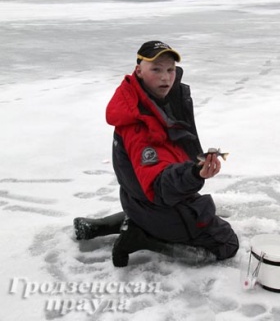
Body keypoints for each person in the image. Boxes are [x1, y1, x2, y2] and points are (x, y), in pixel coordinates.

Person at [73, 41, 239, 267]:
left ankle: (102, 225)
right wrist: (193, 173)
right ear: (139, 70)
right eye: (156, 69)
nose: (166, 77)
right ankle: (144, 239)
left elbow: (167, 156)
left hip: (137, 199)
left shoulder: (151, 102)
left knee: (193, 212)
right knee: (226, 243)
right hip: (156, 201)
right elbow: (159, 184)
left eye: (170, 70)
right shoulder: (139, 123)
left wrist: (192, 167)